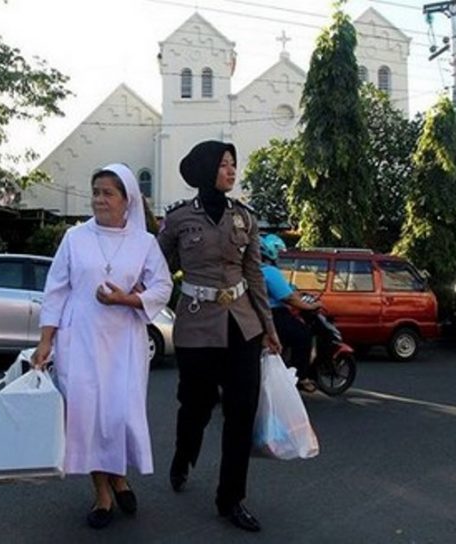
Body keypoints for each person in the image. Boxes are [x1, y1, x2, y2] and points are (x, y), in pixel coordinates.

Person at [32, 164, 173, 530]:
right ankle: (103, 495)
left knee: (118, 416)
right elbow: (56, 290)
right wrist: (45, 340)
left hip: (125, 341)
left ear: (127, 201)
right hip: (79, 338)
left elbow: (162, 286)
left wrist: (127, 300)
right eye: (95, 191)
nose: (99, 199)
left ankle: (120, 476)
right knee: (88, 417)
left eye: (108, 193)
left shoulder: (144, 243)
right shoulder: (74, 238)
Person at [157, 140, 281, 533]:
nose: (231, 171)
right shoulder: (178, 219)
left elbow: (255, 274)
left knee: (241, 413)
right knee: (194, 406)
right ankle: (183, 456)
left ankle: (232, 499)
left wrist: (269, 329)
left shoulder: (244, 217)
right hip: (196, 326)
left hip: (242, 325)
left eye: (233, 164)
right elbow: (158, 272)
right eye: (225, 164)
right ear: (207, 168)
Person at [259, 234, 323, 394]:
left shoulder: (255, 270)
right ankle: (299, 376)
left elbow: (290, 290)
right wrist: (310, 306)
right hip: (274, 314)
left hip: (256, 314)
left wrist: (299, 294)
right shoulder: (269, 271)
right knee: (303, 335)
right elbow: (288, 298)